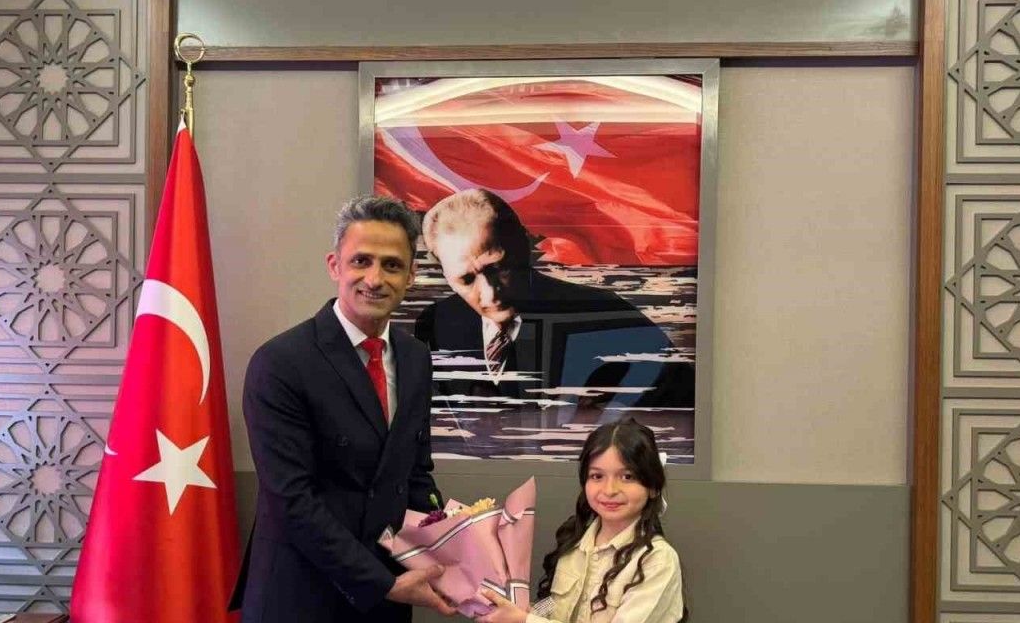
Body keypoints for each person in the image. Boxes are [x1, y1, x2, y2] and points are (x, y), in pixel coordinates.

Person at [231, 195, 456, 623]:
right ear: (335, 266)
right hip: (301, 596)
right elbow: (291, 499)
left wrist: (451, 545)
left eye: (392, 265)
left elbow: (414, 473)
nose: (375, 279)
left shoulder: (415, 359)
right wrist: (380, 583)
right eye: (361, 261)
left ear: (411, 275)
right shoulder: (280, 363)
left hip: (387, 598)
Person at [414, 188, 691, 407]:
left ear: (524, 246)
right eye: (466, 279)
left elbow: (682, 411)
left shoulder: (608, 317)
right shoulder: (436, 324)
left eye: (498, 267)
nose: (489, 293)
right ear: (445, 274)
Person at [475, 419, 685, 623]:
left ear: (653, 487)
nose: (609, 490)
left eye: (627, 477)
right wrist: (521, 610)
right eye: (597, 476)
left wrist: (526, 620)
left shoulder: (657, 561)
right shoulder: (574, 542)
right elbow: (553, 605)